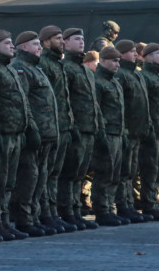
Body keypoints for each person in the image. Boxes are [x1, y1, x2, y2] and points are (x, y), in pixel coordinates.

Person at [0, 30, 32, 241]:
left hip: (15, 132)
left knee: (10, 181)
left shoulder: (9, 69)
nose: (12, 46)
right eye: (7, 43)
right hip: (2, 133)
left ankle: (4, 220)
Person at [10, 31, 59, 237]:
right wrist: (31, 130)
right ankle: (24, 219)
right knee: (28, 178)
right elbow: (24, 103)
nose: (40, 47)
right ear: (23, 47)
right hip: (34, 132)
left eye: (40, 44)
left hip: (46, 133)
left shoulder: (35, 67)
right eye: (35, 44)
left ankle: (34, 217)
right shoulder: (21, 68)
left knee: (40, 177)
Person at [58, 28, 101, 230]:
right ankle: (66, 211)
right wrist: (71, 126)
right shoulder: (66, 68)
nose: (81, 42)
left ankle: (75, 210)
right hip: (74, 128)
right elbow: (64, 100)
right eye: (76, 39)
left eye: (83, 38)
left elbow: (93, 102)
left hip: (88, 129)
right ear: (65, 43)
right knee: (69, 173)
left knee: (80, 174)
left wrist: (97, 125)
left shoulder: (85, 69)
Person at [39, 26, 74, 234]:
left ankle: (53, 213)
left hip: (62, 126)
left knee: (56, 174)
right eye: (58, 38)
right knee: (47, 174)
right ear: (46, 42)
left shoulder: (57, 64)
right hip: (50, 128)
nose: (62, 42)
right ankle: (46, 214)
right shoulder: (45, 63)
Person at [115, 39, 153, 224]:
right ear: (122, 54)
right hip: (127, 131)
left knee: (131, 171)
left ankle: (129, 204)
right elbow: (120, 106)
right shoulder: (121, 74)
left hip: (138, 131)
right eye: (131, 52)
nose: (136, 54)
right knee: (124, 172)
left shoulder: (136, 74)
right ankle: (122, 206)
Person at [137, 43, 159, 221]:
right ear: (148, 57)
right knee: (150, 170)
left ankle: (154, 202)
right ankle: (149, 205)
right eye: (158, 53)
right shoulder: (145, 77)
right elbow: (145, 107)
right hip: (153, 132)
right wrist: (149, 129)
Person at [91, 46, 126, 226]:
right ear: (103, 61)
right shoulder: (99, 82)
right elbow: (97, 111)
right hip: (107, 133)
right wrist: (101, 134)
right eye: (113, 61)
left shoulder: (115, 82)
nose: (117, 64)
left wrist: (124, 132)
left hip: (118, 133)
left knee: (115, 174)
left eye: (118, 61)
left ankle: (110, 208)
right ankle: (102, 210)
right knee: (104, 173)